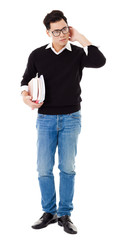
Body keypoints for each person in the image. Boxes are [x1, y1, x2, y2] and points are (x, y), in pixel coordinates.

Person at [20, 10, 106, 234]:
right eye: (56, 31)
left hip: (71, 118)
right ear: (47, 32)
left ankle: (65, 214)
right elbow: (25, 79)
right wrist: (26, 97)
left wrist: (80, 38)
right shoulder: (38, 55)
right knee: (43, 169)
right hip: (45, 119)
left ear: (69, 27)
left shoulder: (78, 53)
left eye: (64, 29)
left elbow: (100, 61)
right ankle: (49, 212)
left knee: (67, 168)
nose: (61, 34)